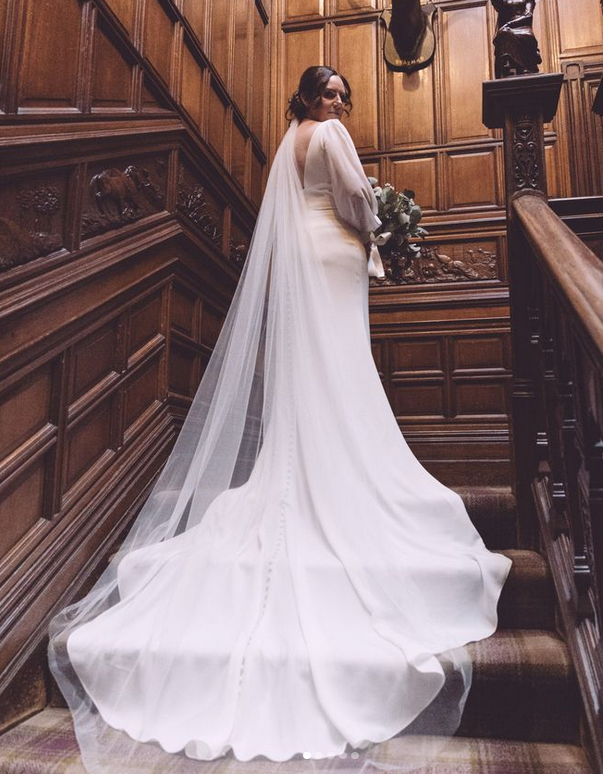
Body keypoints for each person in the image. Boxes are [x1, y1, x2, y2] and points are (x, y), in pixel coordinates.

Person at [48, 65, 512, 774]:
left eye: (342, 96)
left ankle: (308, 465)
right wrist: (382, 226)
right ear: (310, 96)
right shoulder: (330, 136)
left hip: (304, 258)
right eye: (330, 93)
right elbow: (356, 201)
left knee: (315, 370)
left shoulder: (287, 143)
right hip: (335, 255)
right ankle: (341, 475)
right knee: (341, 366)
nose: (337, 104)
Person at [491, 0, 542, 78]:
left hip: (523, 29)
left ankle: (522, 66)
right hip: (507, 31)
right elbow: (496, 0)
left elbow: (528, 16)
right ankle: (510, 65)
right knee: (504, 34)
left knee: (505, 32)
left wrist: (509, 24)